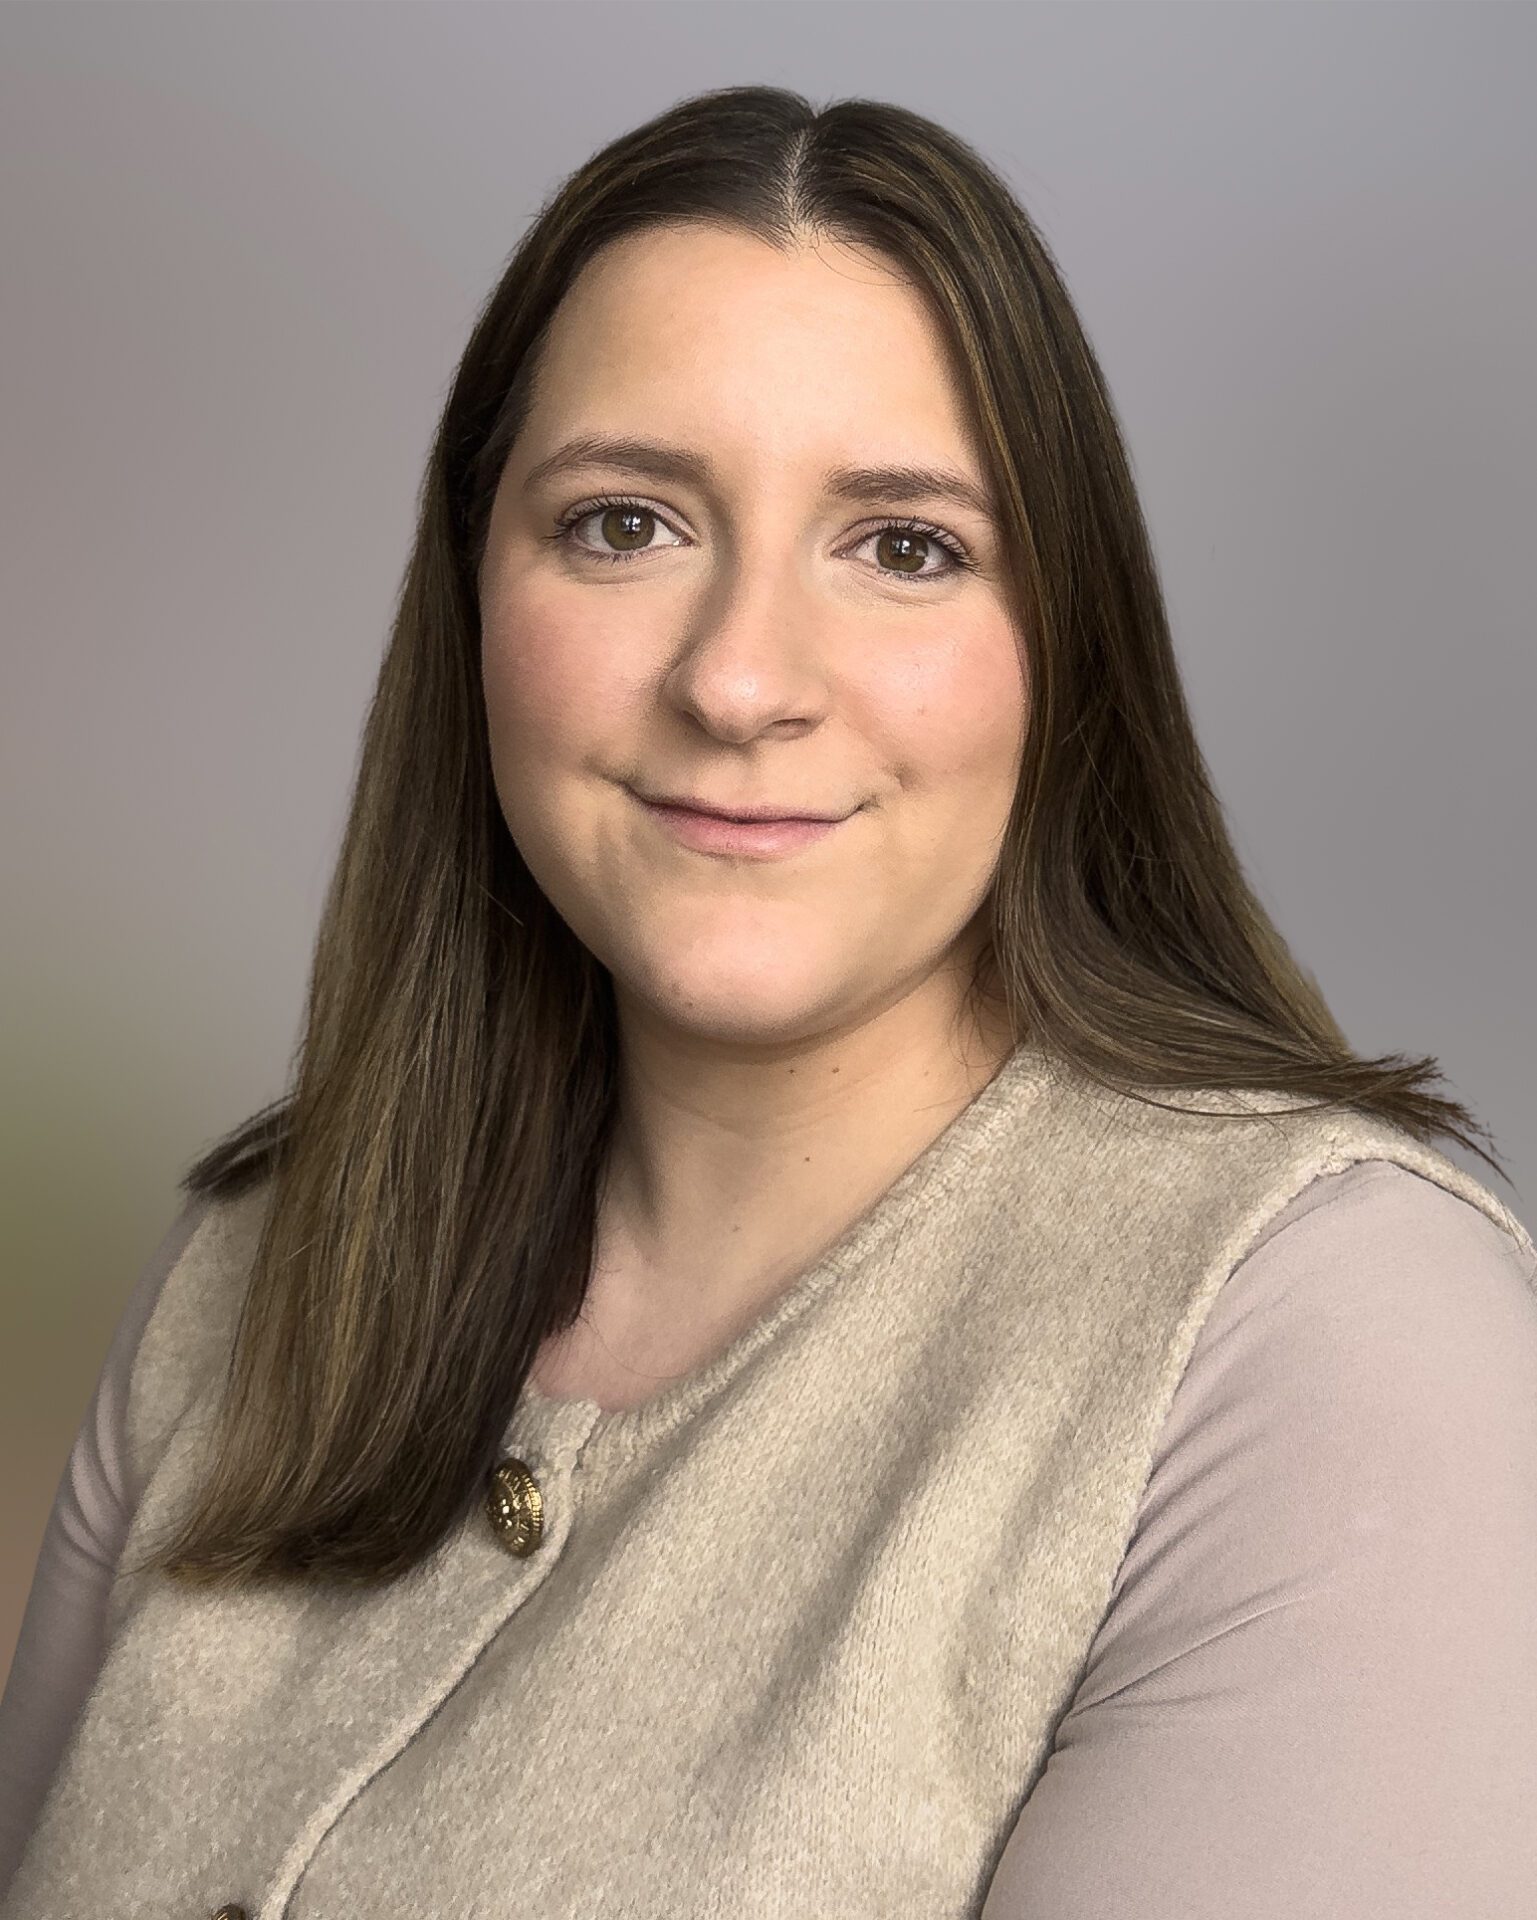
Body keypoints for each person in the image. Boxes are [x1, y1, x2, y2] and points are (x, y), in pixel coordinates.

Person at [2, 84, 1534, 1919]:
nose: (738, 680)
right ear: (472, 587)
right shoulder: (247, 1280)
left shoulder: (1328, 1348)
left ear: (1067, 652)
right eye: (625, 523)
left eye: (903, 547)